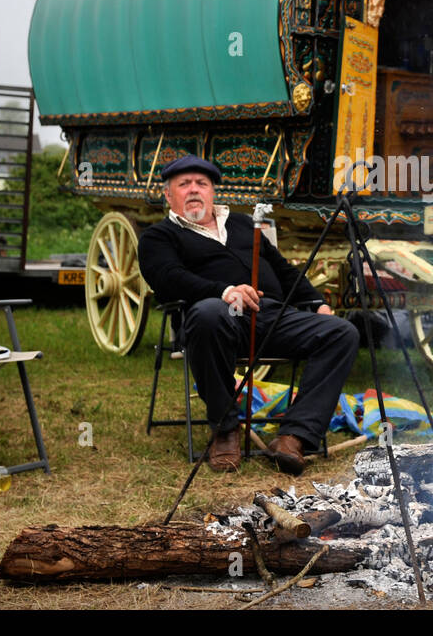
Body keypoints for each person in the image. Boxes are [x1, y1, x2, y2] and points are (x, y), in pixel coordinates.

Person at [137, 155, 359, 476]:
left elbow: (283, 271)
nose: (194, 190)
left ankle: (295, 435)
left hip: (271, 317)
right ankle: (225, 429)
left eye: (202, 183)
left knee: (341, 332)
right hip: (216, 319)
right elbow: (168, 278)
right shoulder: (159, 237)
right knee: (208, 314)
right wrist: (224, 291)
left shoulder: (242, 224)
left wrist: (315, 302)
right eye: (184, 185)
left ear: (213, 191)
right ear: (169, 196)